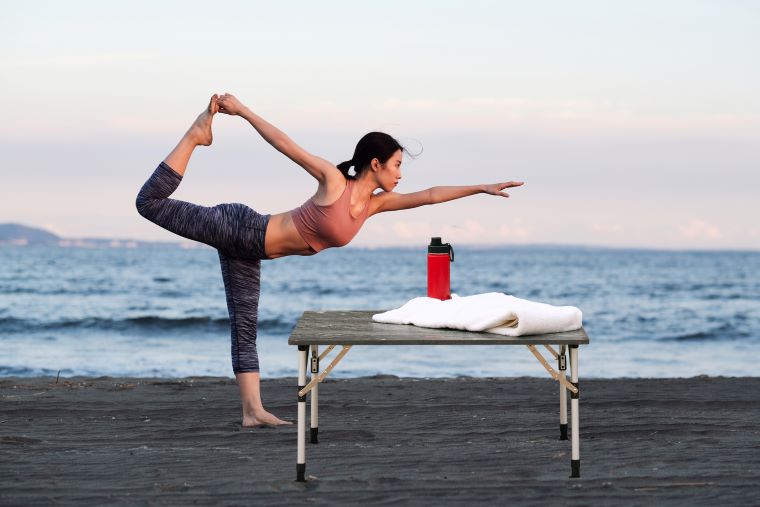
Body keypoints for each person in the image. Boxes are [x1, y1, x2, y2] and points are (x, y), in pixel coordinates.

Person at [136, 94, 524, 427]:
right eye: (397, 165)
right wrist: (244, 111)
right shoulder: (333, 182)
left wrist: (481, 187)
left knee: (245, 325)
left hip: (251, 251)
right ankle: (194, 136)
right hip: (239, 228)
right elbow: (285, 144)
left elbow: (431, 195)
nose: (401, 174)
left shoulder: (374, 206)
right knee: (148, 203)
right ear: (376, 164)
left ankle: (252, 411)